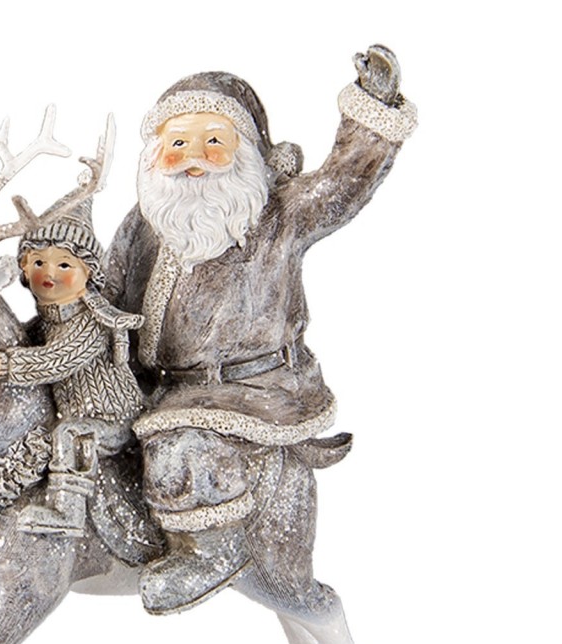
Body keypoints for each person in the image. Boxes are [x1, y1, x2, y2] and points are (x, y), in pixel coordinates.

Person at [103, 48, 418, 613]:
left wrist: (373, 108)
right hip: (161, 384)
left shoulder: (279, 214)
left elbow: (342, 184)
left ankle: (209, 550)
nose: (193, 158)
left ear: (246, 152)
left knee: (180, 443)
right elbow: (110, 294)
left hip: (255, 387)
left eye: (213, 141)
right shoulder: (144, 226)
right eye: (177, 143)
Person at [0, 200, 145, 537]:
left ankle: (67, 513)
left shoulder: (91, 324)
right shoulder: (45, 324)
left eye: (64, 264)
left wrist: (2, 364)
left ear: (88, 273)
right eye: (38, 262)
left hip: (113, 419)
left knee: (71, 435)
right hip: (73, 412)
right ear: (23, 269)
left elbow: (56, 360)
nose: (49, 273)